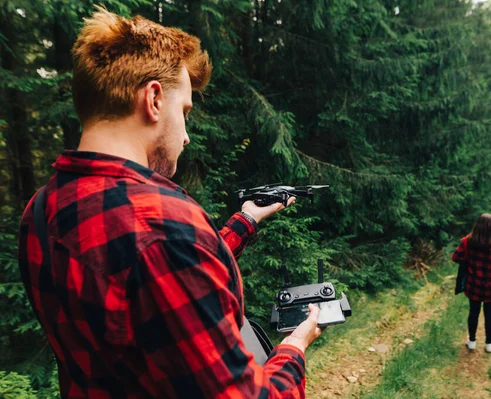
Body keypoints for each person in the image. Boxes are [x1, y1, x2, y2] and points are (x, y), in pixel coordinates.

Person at [18, 7, 321, 398]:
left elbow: (143, 283)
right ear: (155, 99)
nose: (186, 137)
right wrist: (293, 349)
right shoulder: (163, 227)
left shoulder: (41, 211)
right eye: (185, 112)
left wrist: (246, 219)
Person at [452, 213, 491, 353]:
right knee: (489, 314)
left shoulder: (467, 242)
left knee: (473, 312)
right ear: (490, 227)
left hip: (473, 285)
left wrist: (469, 263)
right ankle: (489, 344)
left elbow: (455, 257)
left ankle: (471, 342)